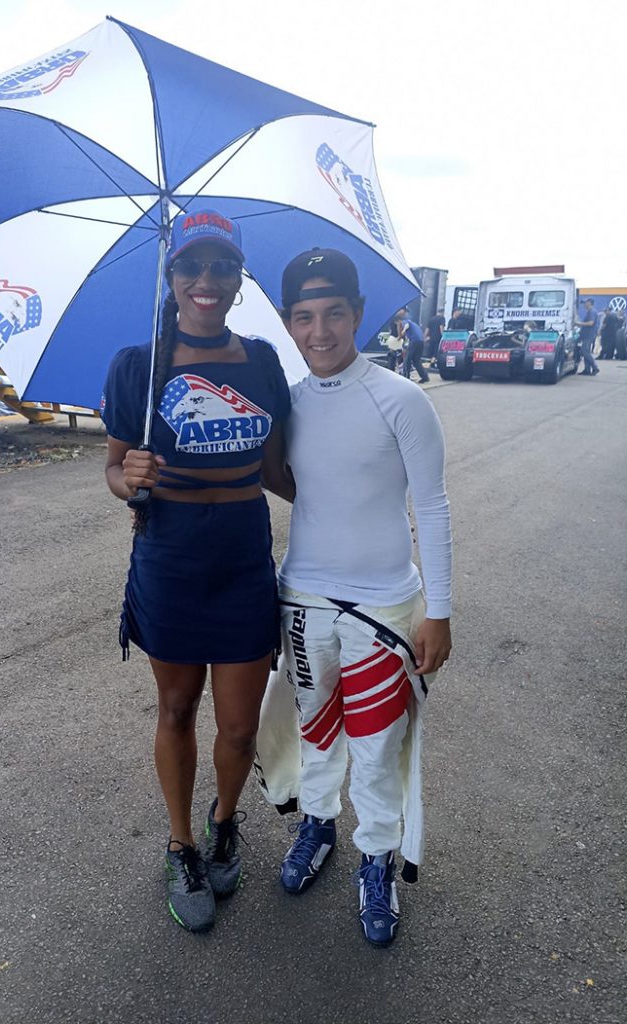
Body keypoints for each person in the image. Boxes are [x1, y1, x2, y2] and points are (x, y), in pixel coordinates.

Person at [101, 209, 291, 933]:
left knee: (239, 728)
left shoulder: (262, 363)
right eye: (192, 266)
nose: (206, 280)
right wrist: (128, 477)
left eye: (222, 267)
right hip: (171, 559)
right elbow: (113, 471)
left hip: (243, 558)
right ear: (172, 275)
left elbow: (275, 471)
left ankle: (224, 821)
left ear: (239, 280)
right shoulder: (138, 365)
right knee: (177, 710)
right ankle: (180, 845)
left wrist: (355, 507)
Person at [268, 247, 452, 946]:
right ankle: (317, 825)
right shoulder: (287, 401)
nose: (319, 332)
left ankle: (376, 857)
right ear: (289, 321)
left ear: (358, 314)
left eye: (334, 313)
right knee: (316, 731)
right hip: (303, 598)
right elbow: (295, 483)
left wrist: (440, 611)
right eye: (304, 317)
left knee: (377, 748)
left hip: (384, 607)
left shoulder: (402, 399)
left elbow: (432, 507)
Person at [396, 308, 430, 383]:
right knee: (416, 361)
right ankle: (425, 377)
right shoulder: (413, 323)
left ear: (399, 321)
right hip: (421, 342)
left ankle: (406, 377)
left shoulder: (405, 321)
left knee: (407, 359)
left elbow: (406, 325)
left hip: (415, 341)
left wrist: (403, 330)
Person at [575, 299, 600, 375]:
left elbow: (590, 323)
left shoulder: (592, 312)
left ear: (589, 303)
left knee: (585, 351)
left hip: (589, 335)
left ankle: (595, 367)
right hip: (587, 335)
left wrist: (579, 323)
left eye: (585, 303)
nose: (584, 304)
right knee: (586, 351)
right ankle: (587, 369)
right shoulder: (590, 312)